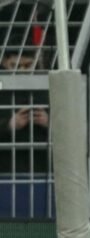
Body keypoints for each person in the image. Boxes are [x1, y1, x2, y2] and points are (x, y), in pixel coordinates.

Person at [0, 33, 50, 173]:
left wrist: (48, 121)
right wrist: (10, 124)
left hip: (42, 165)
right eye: (15, 66)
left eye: (27, 65)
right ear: (4, 63)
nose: (22, 71)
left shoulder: (46, 87)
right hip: (5, 165)